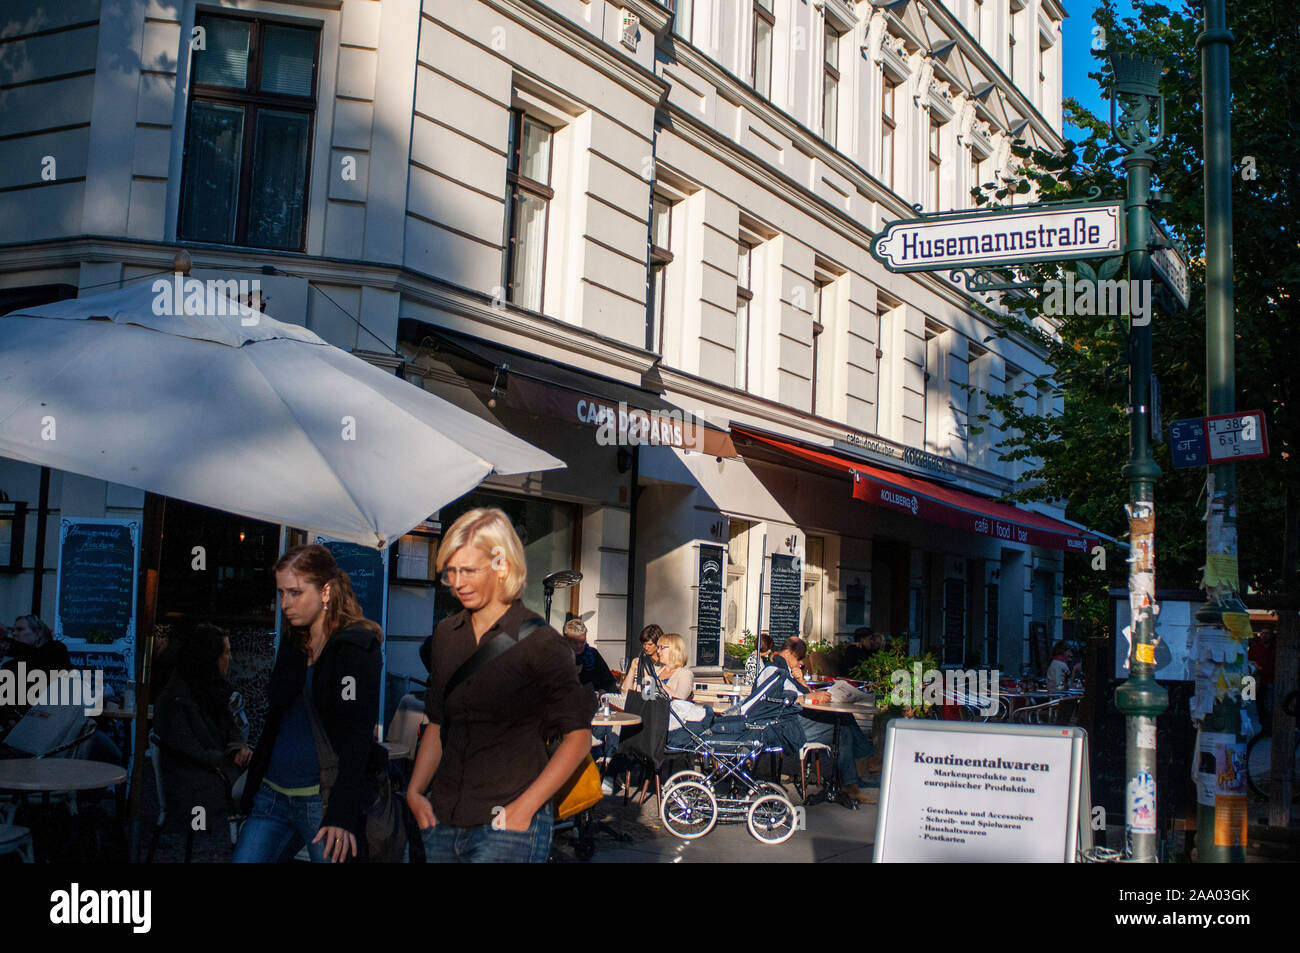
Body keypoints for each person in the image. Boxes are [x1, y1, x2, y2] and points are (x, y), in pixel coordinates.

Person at [406, 508, 593, 863]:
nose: (458, 582)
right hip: (443, 819)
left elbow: (578, 738)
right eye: (452, 571)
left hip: (508, 826)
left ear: (501, 566)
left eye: (469, 570)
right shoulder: (447, 635)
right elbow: (436, 723)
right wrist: (415, 792)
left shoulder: (542, 642)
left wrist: (525, 808)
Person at [234, 545, 388, 863]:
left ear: (326, 591)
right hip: (271, 796)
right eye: (281, 593)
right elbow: (274, 720)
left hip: (322, 801)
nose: (285, 603)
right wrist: (251, 790)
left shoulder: (356, 648)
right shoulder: (293, 645)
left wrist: (342, 813)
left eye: (295, 592)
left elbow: (358, 737)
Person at [153, 624, 252, 856]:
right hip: (195, 784)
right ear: (209, 658)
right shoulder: (174, 700)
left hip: (218, 774)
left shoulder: (214, 692)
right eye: (225, 652)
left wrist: (239, 749)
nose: (230, 658)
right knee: (270, 792)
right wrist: (231, 757)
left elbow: (231, 732)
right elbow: (191, 751)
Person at [778, 637, 876, 805]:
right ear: (788, 653)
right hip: (791, 728)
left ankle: (853, 782)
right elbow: (780, 700)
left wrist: (801, 681)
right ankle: (862, 768)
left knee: (843, 720)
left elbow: (801, 695)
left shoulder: (788, 669)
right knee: (842, 727)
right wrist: (809, 696)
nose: (801, 662)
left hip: (799, 721)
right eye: (799, 658)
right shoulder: (777, 669)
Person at [0, 615, 74, 739]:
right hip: (19, 729)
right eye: (13, 630)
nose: (14, 634)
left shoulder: (56, 650)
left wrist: (7, 643)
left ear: (38, 633)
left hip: (50, 728)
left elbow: (38, 657)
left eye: (20, 630)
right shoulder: (11, 665)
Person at [565, 619, 616, 693]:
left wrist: (603, 690)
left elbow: (610, 681)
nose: (579, 646)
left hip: (590, 700)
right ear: (567, 640)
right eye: (575, 643)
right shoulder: (560, 657)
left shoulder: (593, 654)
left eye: (582, 642)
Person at [621, 624, 663, 694]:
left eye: (650, 644)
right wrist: (632, 669)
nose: (646, 648)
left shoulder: (664, 663)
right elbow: (625, 690)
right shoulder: (640, 660)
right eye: (644, 644)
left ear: (658, 643)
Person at [655, 634, 694, 700]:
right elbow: (636, 693)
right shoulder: (656, 671)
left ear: (675, 649)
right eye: (658, 648)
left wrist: (657, 682)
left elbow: (680, 697)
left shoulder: (685, 674)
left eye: (661, 647)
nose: (658, 651)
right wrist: (632, 670)